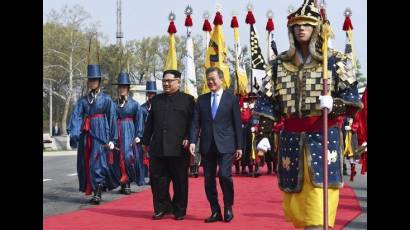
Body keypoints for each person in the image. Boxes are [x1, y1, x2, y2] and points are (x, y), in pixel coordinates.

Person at [251, 0, 363, 228]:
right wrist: (263, 134)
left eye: (307, 25)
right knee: (296, 206)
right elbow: (267, 102)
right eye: (297, 26)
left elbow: (353, 100)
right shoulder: (278, 65)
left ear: (316, 29)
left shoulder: (333, 61)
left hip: (323, 137)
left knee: (319, 203)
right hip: (291, 140)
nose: (301, 29)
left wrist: (336, 103)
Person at [189, 67, 243, 223]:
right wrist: (193, 141)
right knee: (208, 180)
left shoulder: (230, 98)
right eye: (208, 79)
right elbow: (195, 122)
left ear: (221, 79)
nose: (210, 81)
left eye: (213, 78)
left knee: (225, 176)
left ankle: (228, 207)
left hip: (226, 144)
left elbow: (237, 124)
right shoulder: (202, 99)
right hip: (207, 145)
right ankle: (215, 210)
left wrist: (239, 146)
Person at [141, 69, 195, 220]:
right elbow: (149, 124)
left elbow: (193, 123)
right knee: (158, 180)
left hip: (179, 148)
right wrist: (145, 142)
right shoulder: (156, 100)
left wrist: (189, 138)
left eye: (170, 81)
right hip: (158, 147)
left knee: (180, 182)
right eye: (164, 81)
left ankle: (179, 210)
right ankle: (161, 208)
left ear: (178, 82)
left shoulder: (188, 100)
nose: (166, 84)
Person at [67, 63, 118, 205]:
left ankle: (98, 193)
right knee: (87, 162)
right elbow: (76, 115)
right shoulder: (83, 100)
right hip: (87, 135)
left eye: (95, 80)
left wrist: (113, 139)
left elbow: (112, 118)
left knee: (99, 162)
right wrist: (75, 132)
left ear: (99, 82)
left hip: (101, 133)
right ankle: (93, 188)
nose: (92, 82)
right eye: (90, 80)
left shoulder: (106, 99)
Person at [113, 71, 144, 194]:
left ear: (128, 88)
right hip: (117, 131)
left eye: (124, 87)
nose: (122, 89)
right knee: (117, 157)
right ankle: (123, 182)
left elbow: (139, 120)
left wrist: (138, 135)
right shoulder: (113, 104)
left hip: (130, 132)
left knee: (128, 157)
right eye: (120, 87)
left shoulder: (135, 104)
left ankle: (128, 180)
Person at [139, 80, 160, 184]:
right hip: (145, 135)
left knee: (155, 158)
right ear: (147, 94)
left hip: (156, 136)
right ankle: (142, 177)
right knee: (143, 156)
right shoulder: (142, 108)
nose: (151, 96)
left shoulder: (159, 107)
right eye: (149, 93)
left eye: (153, 93)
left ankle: (154, 177)